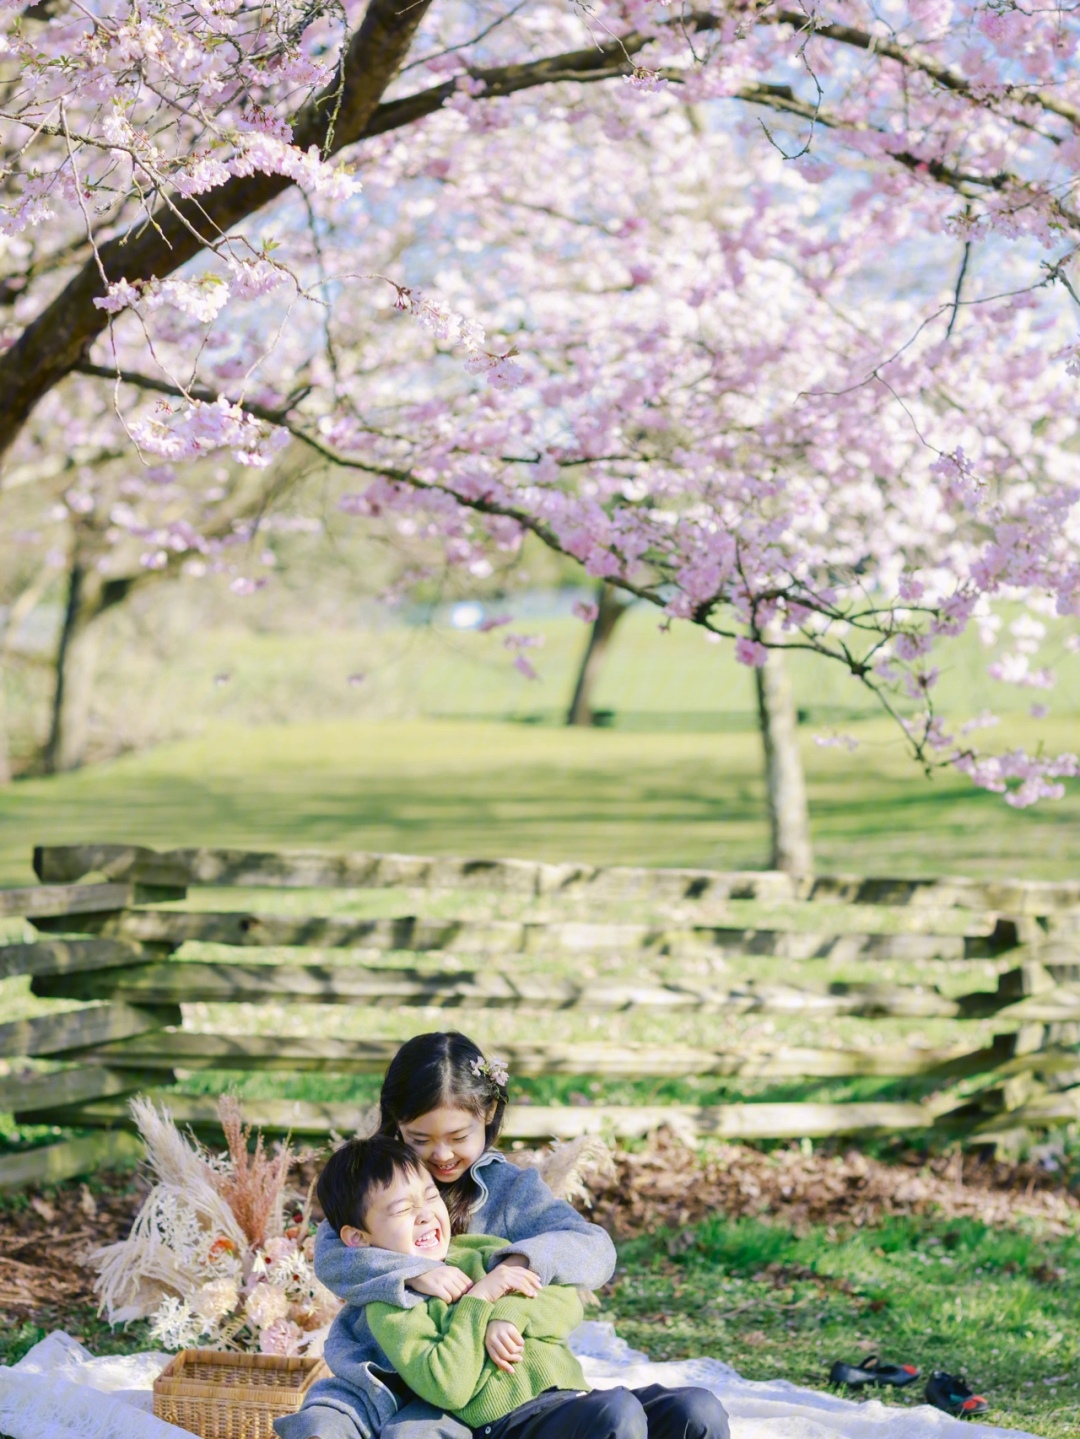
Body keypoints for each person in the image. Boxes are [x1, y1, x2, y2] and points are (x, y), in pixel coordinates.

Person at [275, 1031, 618, 1439]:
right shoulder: (381, 1180)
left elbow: (596, 1250)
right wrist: (410, 1271)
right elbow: (332, 1256)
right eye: (420, 1139)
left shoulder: (510, 1192)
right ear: (396, 1121)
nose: (441, 1155)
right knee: (321, 1423)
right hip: (380, 1374)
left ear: (488, 1112)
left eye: (458, 1137)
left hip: (468, 1380)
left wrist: (513, 1268)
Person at [292, 1133, 730, 1439]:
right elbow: (448, 1385)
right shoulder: (393, 1304)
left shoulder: (481, 1250)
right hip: (504, 1423)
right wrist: (481, 1302)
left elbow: (564, 1305)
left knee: (697, 1409)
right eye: (402, 1209)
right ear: (358, 1238)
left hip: (568, 1398)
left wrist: (505, 1313)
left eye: (429, 1198)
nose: (426, 1214)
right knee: (616, 1415)